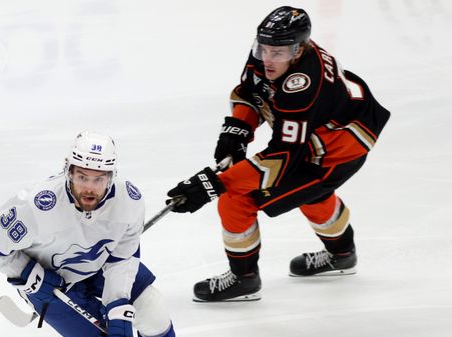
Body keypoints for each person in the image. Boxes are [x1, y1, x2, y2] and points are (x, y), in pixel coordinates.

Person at [0, 130, 204, 337]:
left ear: (111, 176)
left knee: (152, 307)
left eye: (99, 179)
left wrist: (118, 306)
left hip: (98, 266)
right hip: (50, 282)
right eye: (82, 177)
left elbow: (123, 259)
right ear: (68, 170)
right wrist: (29, 275)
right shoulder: (36, 205)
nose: (90, 188)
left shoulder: (129, 201)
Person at [166, 6, 391, 302]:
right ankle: (342, 254)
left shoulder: (303, 84)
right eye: (264, 49)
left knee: (237, 199)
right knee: (310, 194)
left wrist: (216, 184)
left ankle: (244, 279)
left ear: (298, 50)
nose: (268, 59)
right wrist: (236, 133)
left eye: (278, 53)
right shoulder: (269, 53)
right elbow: (249, 93)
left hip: (336, 151)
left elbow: (284, 157)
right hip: (322, 133)